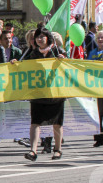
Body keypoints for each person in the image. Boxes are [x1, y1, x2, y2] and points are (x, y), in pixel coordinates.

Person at [13, 28, 66, 161]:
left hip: (55, 94)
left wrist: (63, 60)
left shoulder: (58, 51)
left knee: (57, 124)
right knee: (35, 122)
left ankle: (58, 149)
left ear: (48, 38)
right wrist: (15, 64)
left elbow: (69, 67)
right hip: (38, 93)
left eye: (42, 36)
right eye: (37, 37)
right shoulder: (33, 53)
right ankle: (33, 151)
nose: (39, 39)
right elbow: (25, 67)